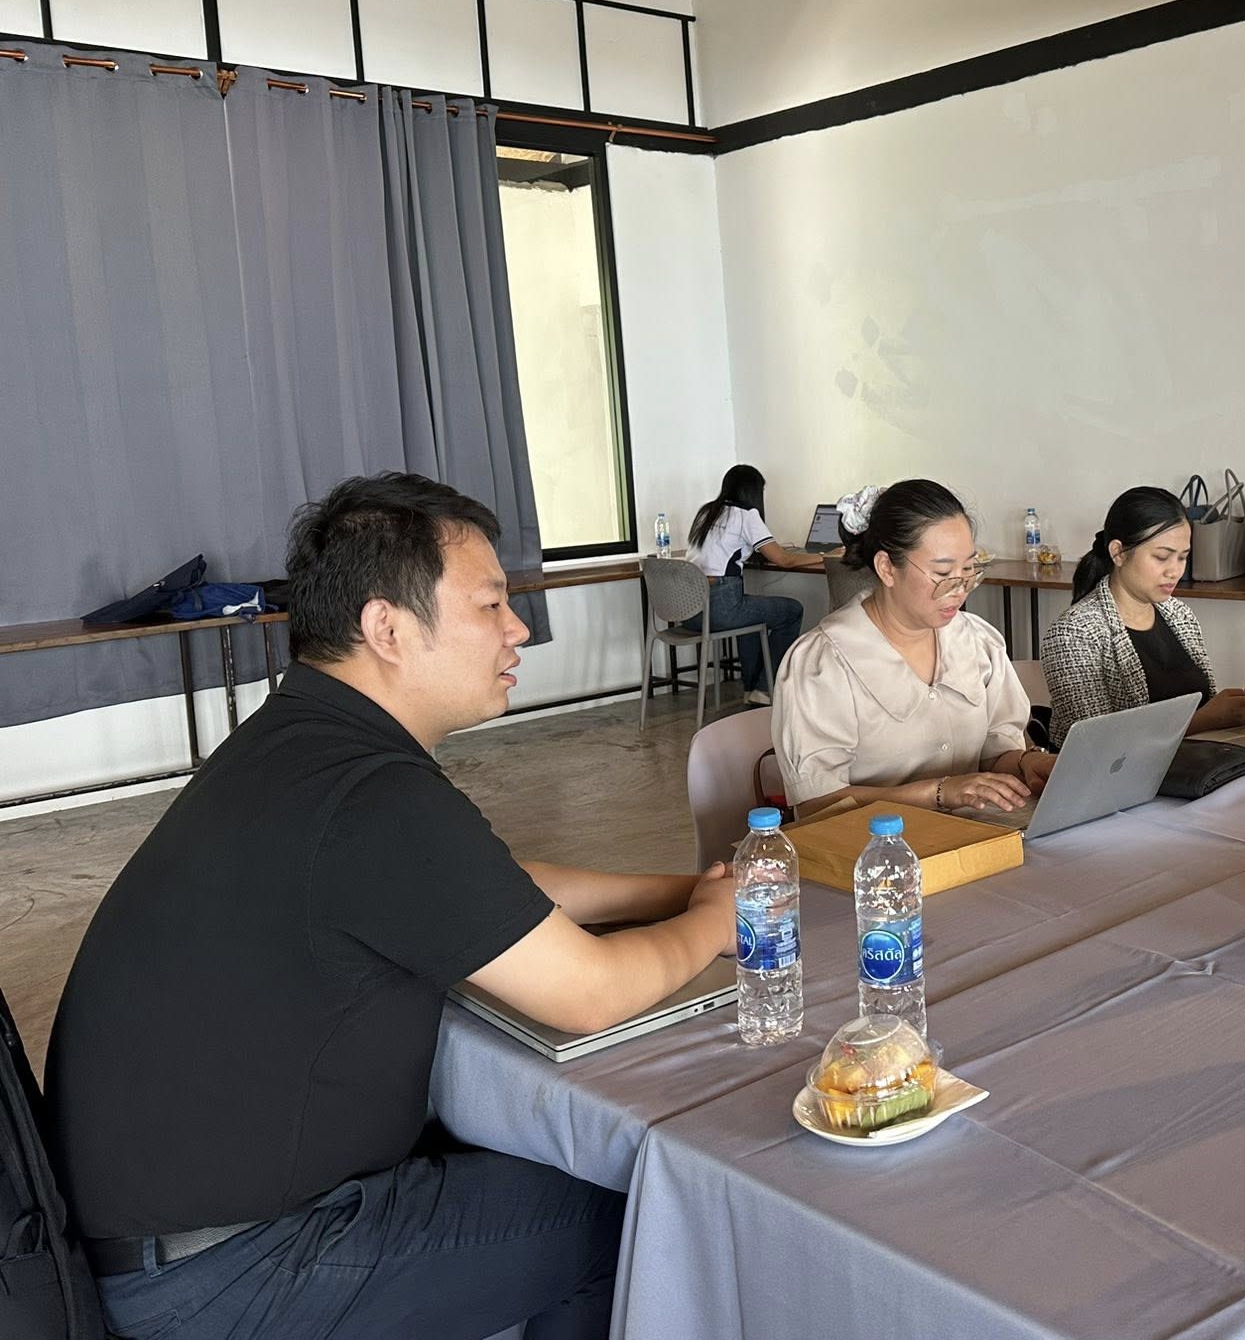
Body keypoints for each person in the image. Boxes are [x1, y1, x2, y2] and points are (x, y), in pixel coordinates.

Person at [45, 473, 738, 1340]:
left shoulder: (303, 742)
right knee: (635, 1218)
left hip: (161, 1237)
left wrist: (680, 892)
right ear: (388, 629)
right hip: (228, 1269)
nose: (519, 628)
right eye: (491, 604)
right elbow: (588, 994)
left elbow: (490, 886)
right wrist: (718, 923)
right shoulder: (370, 793)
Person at [772, 479, 1053, 818]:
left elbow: (994, 755)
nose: (960, 589)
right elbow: (816, 805)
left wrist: (1026, 762)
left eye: (968, 569)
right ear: (887, 568)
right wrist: (937, 793)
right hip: (875, 844)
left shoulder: (977, 641)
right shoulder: (824, 662)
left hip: (979, 835)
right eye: (943, 572)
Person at [1040, 486, 1245, 747]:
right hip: (1125, 773)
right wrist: (1205, 720)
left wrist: (1240, 706)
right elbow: (1096, 745)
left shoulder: (1179, 614)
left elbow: (1204, 705)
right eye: (1162, 557)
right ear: (1118, 552)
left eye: (1183, 557)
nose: (1174, 571)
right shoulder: (1074, 633)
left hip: (1197, 762)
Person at [681, 464, 832, 706]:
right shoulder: (746, 515)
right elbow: (784, 559)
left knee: (750, 619)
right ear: (753, 492)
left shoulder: (706, 512)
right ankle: (764, 689)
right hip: (720, 609)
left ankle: (752, 689)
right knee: (792, 610)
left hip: (690, 612)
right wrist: (827, 556)